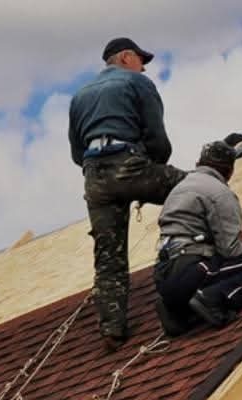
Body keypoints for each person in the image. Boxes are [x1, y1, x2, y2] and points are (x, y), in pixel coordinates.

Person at [69, 37, 187, 351]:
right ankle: (206, 260)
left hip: (94, 177)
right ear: (125, 58)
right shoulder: (136, 83)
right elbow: (158, 138)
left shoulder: (80, 96)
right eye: (140, 59)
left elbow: (76, 152)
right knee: (194, 188)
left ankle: (112, 330)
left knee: (108, 256)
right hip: (128, 162)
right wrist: (148, 174)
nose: (144, 66)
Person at [153, 141, 242, 336]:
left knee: (214, 272)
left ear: (199, 163)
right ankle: (213, 298)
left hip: (164, 277)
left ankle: (177, 310)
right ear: (229, 171)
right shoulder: (219, 193)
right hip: (194, 268)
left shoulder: (179, 189)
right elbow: (230, 250)